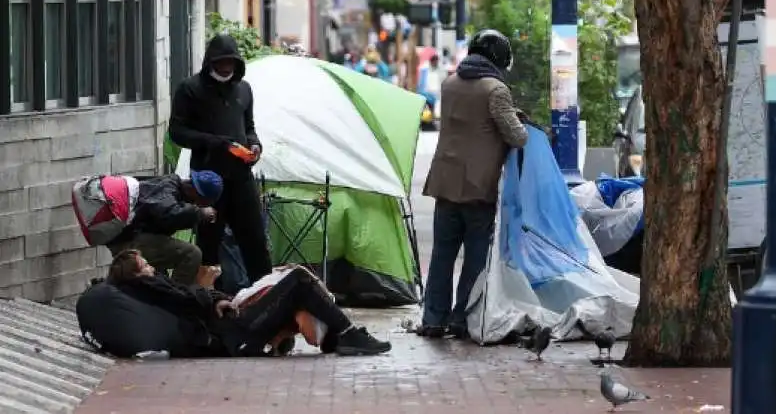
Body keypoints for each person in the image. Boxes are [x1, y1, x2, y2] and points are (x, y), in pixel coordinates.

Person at [419, 29, 529, 339]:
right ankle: (462, 319)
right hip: (477, 186)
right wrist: (519, 119)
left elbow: (473, 121)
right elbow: (517, 136)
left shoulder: (450, 83)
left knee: (442, 255)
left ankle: (432, 319)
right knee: (475, 257)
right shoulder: (496, 90)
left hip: (445, 181)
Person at [106, 249, 392, 357]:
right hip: (234, 334)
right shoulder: (148, 286)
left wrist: (217, 299)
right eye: (144, 266)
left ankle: (337, 339)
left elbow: (189, 296)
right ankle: (347, 334)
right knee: (298, 281)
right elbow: (186, 299)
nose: (151, 269)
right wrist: (213, 302)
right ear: (134, 275)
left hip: (230, 325)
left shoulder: (152, 285)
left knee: (291, 282)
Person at [169, 33, 272, 289]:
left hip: (241, 176)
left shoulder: (244, 89)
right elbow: (177, 132)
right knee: (209, 241)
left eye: (231, 63)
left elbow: (248, 126)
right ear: (210, 62)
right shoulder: (190, 89)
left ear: (237, 64)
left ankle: (267, 296)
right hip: (208, 181)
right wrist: (216, 142)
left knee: (255, 240)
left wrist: (254, 144)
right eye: (221, 62)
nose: (226, 68)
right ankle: (210, 299)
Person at [106, 170, 223, 285]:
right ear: (198, 193)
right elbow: (168, 214)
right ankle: (173, 300)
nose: (202, 205)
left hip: (134, 237)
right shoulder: (167, 187)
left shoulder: (174, 191)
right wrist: (199, 213)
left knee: (160, 278)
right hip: (128, 240)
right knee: (191, 254)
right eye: (205, 202)